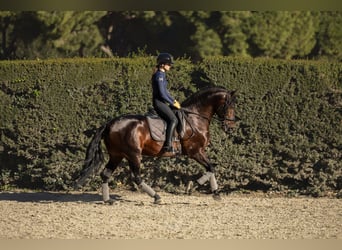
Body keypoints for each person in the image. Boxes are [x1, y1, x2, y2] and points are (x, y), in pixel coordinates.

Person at [151, 53, 181, 153]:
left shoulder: (162, 74)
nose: (170, 66)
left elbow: (166, 92)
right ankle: (167, 145)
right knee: (173, 120)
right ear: (162, 64)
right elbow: (162, 94)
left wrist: (174, 100)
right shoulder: (159, 76)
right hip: (159, 103)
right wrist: (172, 102)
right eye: (168, 64)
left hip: (162, 102)